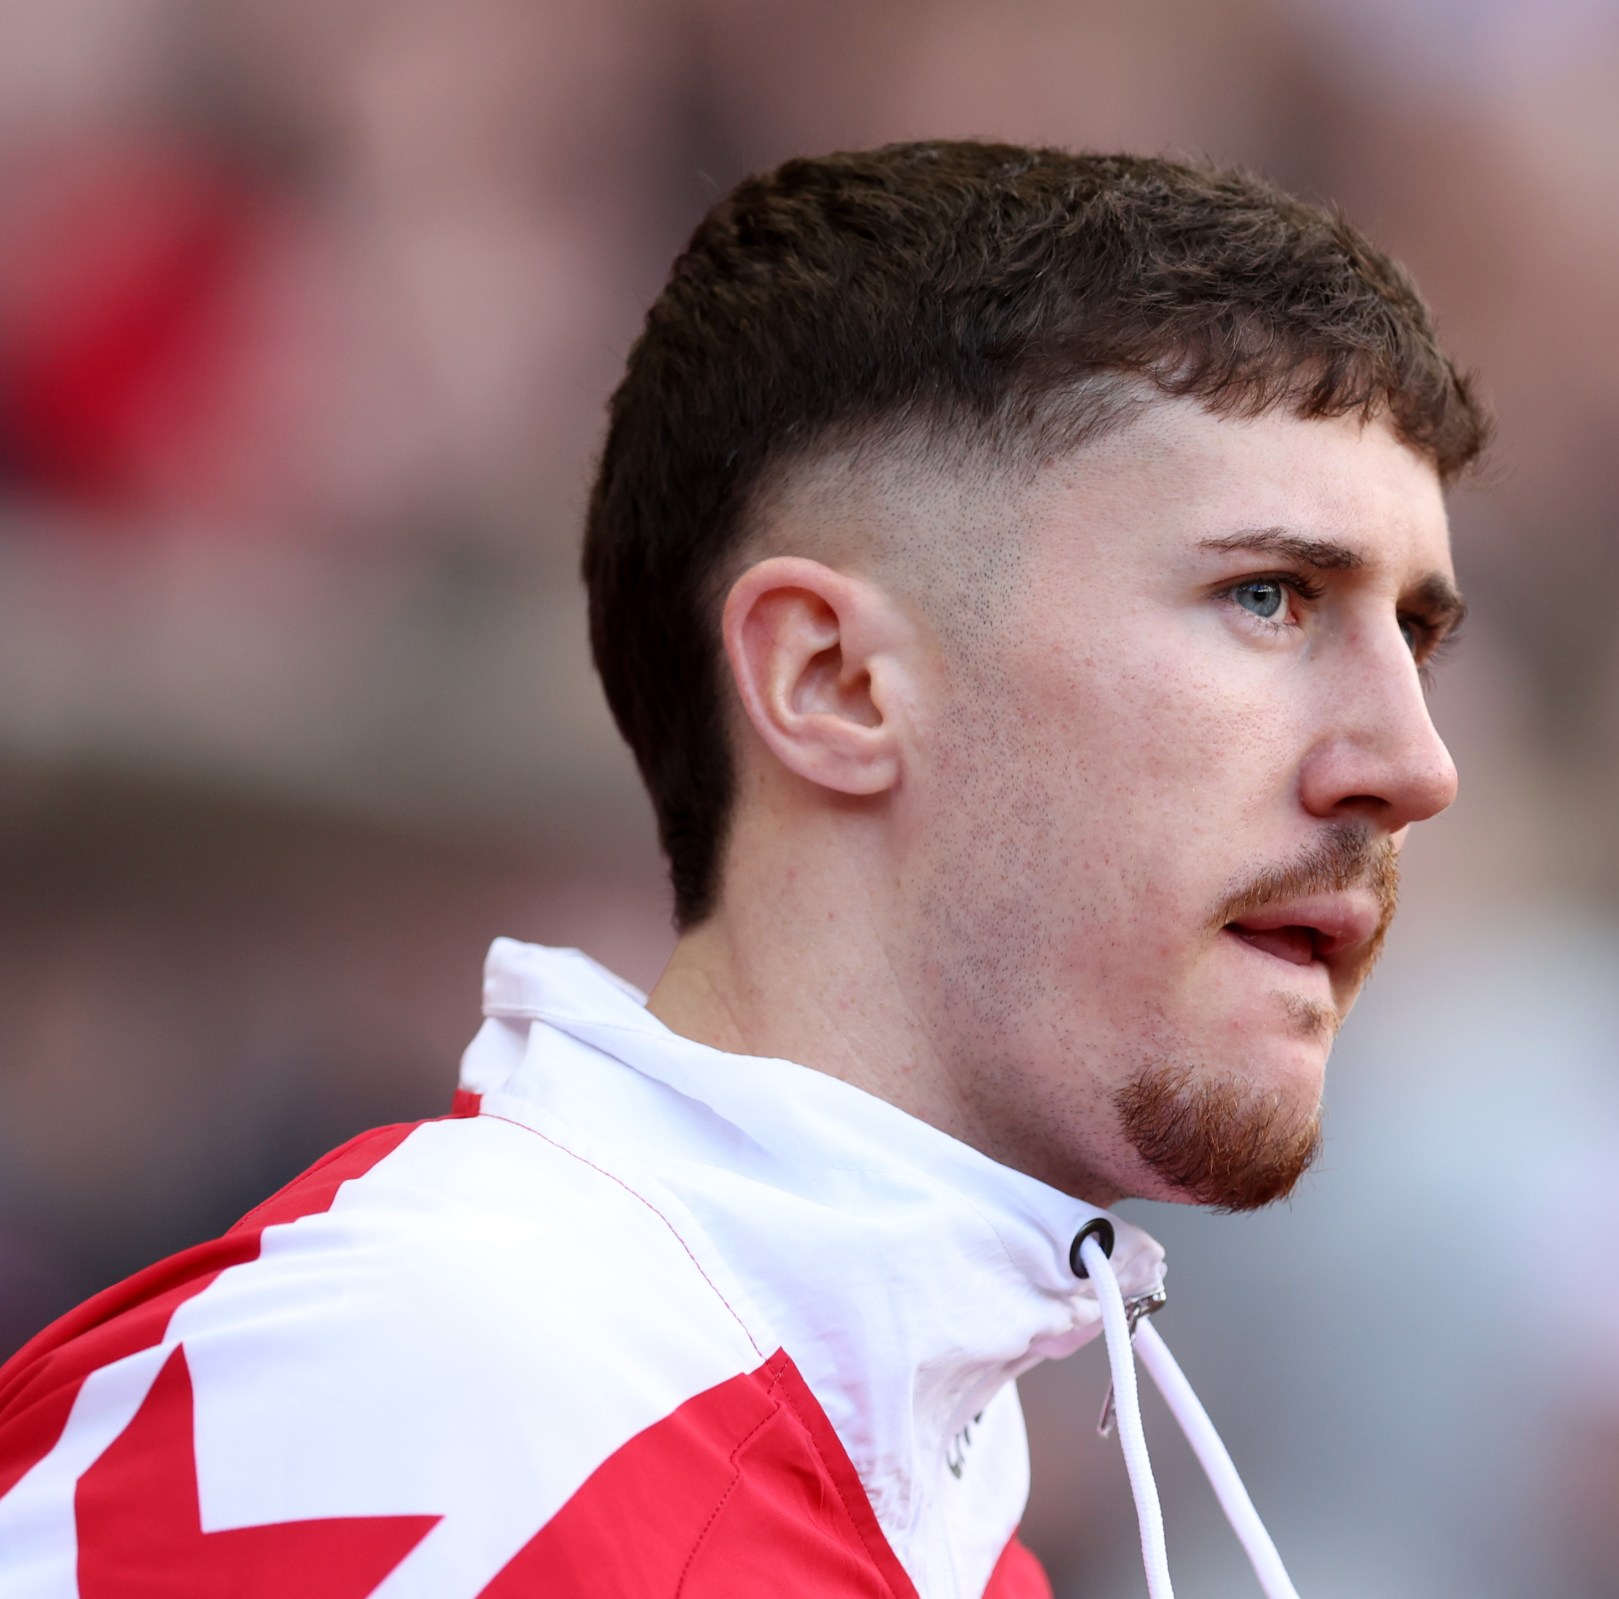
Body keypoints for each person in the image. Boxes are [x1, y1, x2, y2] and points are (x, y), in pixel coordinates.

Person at [0, 141, 1485, 1599]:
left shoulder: (934, 1524)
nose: (1416, 766)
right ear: (833, 681)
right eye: (1270, 598)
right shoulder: (428, 1404)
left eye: (1413, 634)